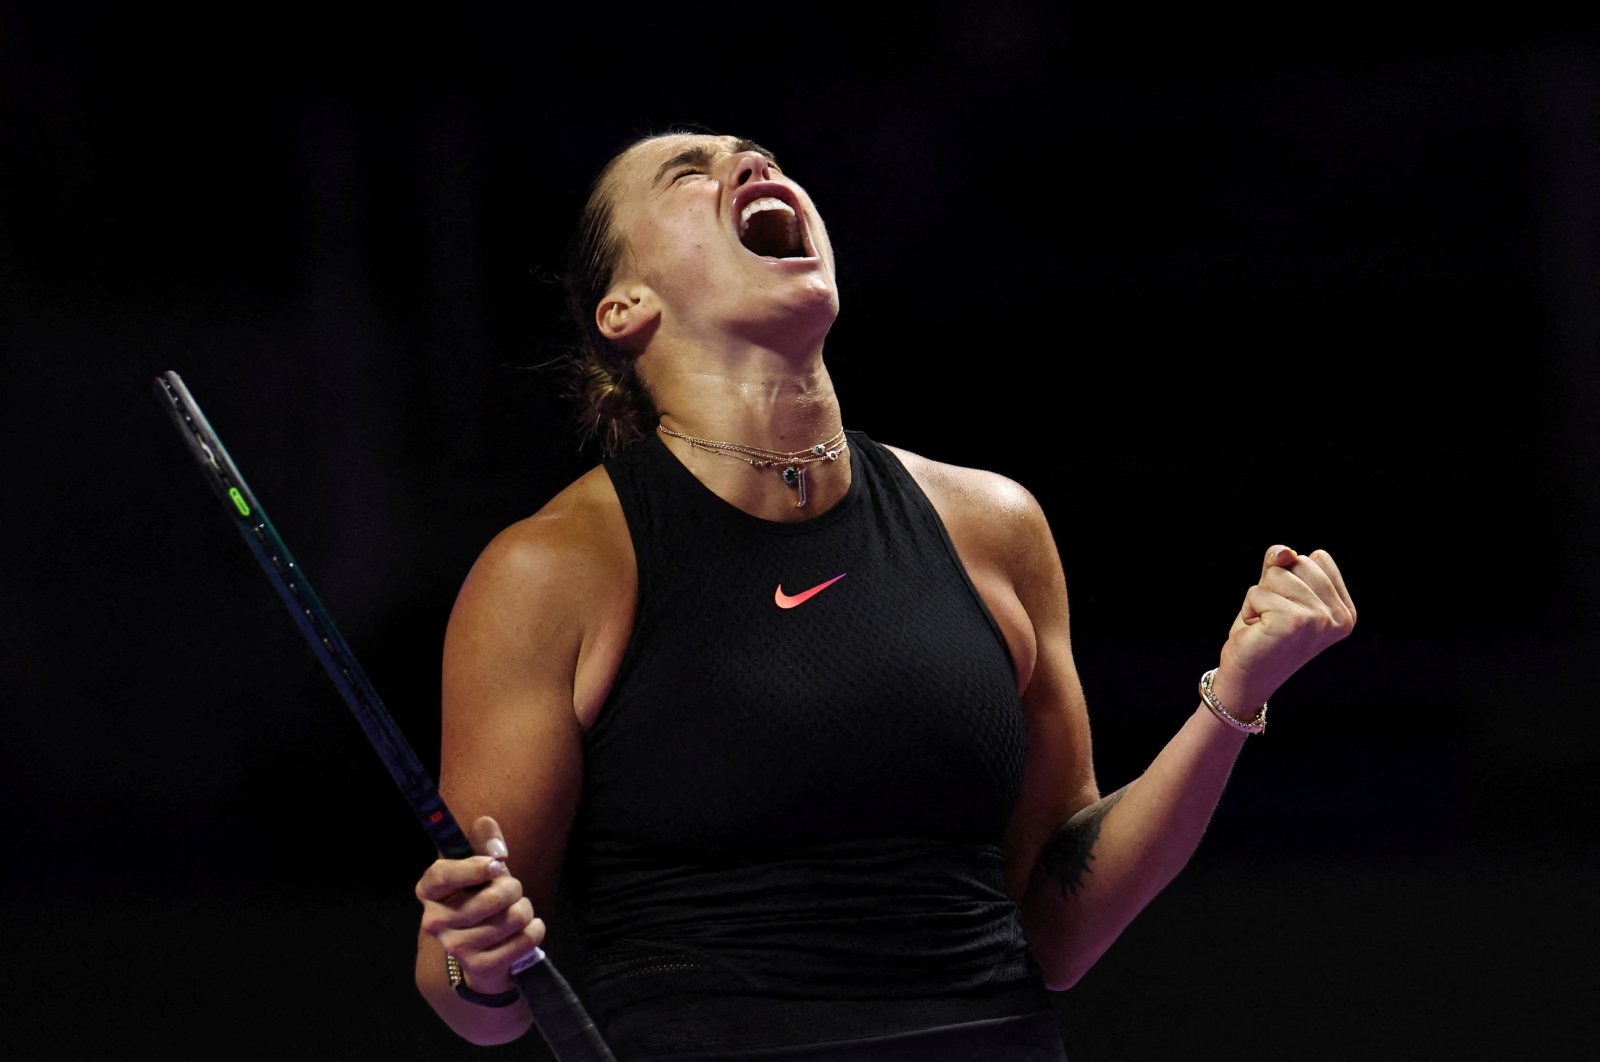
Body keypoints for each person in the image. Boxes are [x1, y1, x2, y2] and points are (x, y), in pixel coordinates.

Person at [410, 128, 1357, 1061]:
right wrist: (481, 965)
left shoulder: (992, 526)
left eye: (764, 157)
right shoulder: (554, 570)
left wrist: (1233, 699)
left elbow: (1060, 931)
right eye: (688, 174)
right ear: (624, 307)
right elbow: (471, 996)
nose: (756, 166)